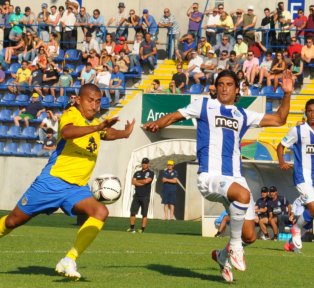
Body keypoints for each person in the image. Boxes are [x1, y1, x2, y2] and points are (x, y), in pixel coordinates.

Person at [143, 69, 293, 282]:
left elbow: (279, 119)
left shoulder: (242, 114)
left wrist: (287, 94)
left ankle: (222, 256)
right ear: (215, 88)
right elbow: (176, 115)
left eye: (229, 84)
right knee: (243, 196)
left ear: (237, 88)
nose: (224, 88)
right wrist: (159, 124)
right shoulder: (204, 106)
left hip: (234, 178)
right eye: (220, 84)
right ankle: (233, 248)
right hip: (210, 177)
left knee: (250, 236)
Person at [0, 83, 135, 280]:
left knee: (100, 211)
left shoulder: (94, 123)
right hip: (52, 183)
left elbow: (105, 133)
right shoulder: (71, 114)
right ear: (78, 100)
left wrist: (124, 133)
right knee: (13, 221)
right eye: (90, 100)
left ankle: (69, 259)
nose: (95, 106)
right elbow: (67, 133)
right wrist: (97, 127)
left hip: (76, 189)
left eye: (98, 101)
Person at [277, 99, 314, 251]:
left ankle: (292, 242)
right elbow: (281, 146)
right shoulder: (298, 130)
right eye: (310, 110)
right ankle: (297, 230)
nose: (313, 114)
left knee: (311, 212)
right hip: (302, 176)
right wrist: (282, 162)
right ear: (306, 112)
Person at [127, 157, 154, 233]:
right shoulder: (137, 172)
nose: (144, 164)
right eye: (143, 163)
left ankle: (142, 229)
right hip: (137, 195)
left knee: (144, 214)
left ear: (148, 164)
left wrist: (138, 182)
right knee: (133, 212)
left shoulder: (151, 173)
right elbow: (133, 182)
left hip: (145, 196)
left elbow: (147, 181)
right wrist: (142, 182)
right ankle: (132, 228)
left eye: (145, 163)